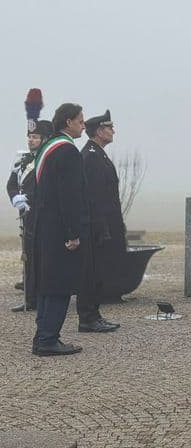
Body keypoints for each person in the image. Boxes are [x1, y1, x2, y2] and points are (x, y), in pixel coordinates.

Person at [31, 103, 87, 356]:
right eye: (80, 121)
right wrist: (72, 233)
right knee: (59, 285)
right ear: (68, 122)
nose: (83, 125)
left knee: (46, 284)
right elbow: (70, 197)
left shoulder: (46, 148)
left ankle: (42, 335)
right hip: (60, 230)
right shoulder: (68, 152)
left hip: (44, 226)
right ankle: (48, 340)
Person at [77, 110, 122, 333]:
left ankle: (94, 314)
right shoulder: (91, 156)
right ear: (98, 131)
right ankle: (87, 317)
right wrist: (102, 227)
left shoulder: (98, 154)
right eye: (109, 128)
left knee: (98, 272)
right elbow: (94, 198)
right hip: (96, 227)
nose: (113, 131)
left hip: (103, 224)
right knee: (90, 273)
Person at [7, 115, 54, 311]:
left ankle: (44, 297)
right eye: (30, 137)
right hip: (26, 216)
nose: (31, 140)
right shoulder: (21, 160)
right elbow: (11, 185)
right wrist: (15, 198)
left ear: (44, 139)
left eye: (35, 137)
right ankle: (30, 298)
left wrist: (30, 200)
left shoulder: (47, 159)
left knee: (42, 257)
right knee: (28, 256)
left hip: (42, 215)